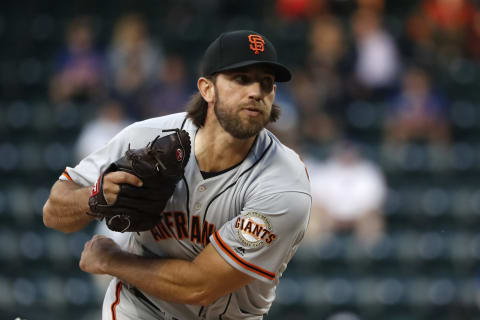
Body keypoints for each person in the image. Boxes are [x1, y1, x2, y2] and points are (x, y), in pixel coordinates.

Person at [43, 30, 312, 319]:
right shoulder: (147, 137)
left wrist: (112, 261)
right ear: (207, 89)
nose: (256, 92)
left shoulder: (285, 184)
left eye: (266, 83)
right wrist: (96, 195)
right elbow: (53, 212)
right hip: (139, 308)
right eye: (241, 79)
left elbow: (201, 286)